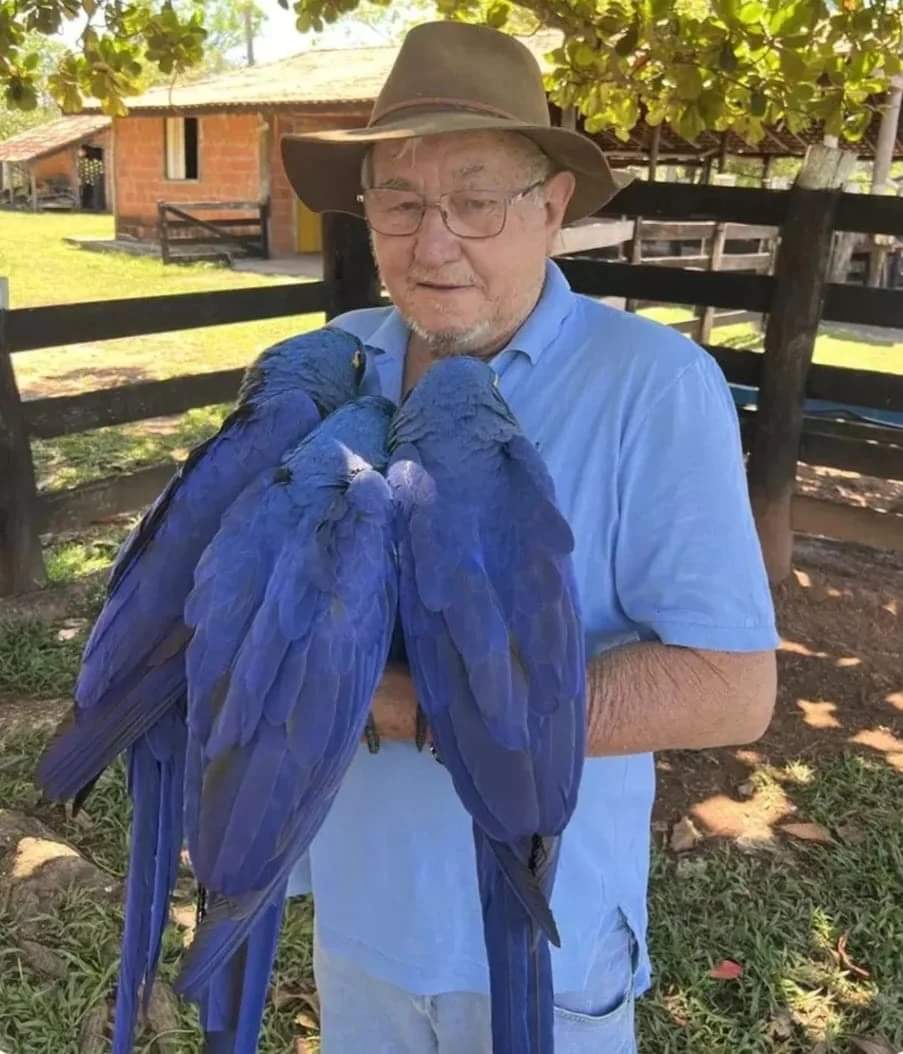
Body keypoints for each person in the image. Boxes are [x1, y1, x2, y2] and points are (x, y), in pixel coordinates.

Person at [279, 20, 778, 1053]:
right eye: (401, 201)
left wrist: (411, 705)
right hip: (359, 919)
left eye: (474, 200)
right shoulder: (326, 368)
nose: (432, 241)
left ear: (551, 208)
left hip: (542, 943)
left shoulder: (653, 387)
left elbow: (734, 683)